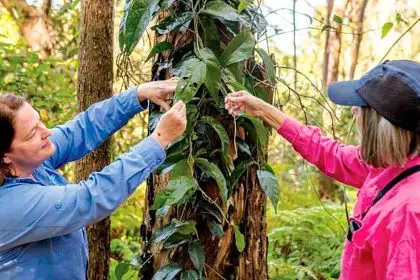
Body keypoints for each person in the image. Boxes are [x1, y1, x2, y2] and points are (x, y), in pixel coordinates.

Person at [225, 60, 420, 280]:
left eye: (362, 106)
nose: (354, 110)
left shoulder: (408, 212)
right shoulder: (390, 164)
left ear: (382, 125)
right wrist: (264, 111)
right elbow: (331, 154)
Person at [0, 78, 186, 279]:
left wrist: (138, 94)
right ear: (5, 156)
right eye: (32, 133)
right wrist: (159, 138)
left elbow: (82, 129)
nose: (47, 132)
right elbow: (90, 198)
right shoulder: (9, 206)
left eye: (39, 121)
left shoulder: (29, 162)